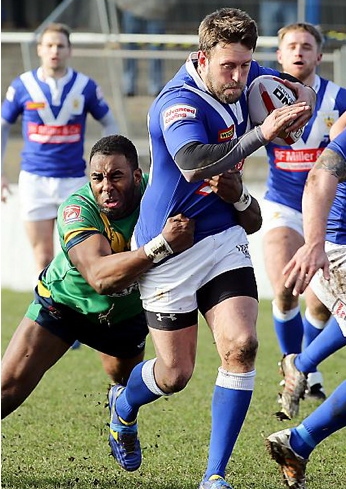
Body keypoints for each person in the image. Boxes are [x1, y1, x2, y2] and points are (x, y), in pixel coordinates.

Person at [105, 8, 316, 489]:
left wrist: (302, 95)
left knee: (242, 347)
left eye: (246, 64)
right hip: (170, 244)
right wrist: (264, 132)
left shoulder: (247, 71)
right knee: (175, 374)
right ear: (202, 58)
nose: (240, 77)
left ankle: (214, 475)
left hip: (222, 235)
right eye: (229, 67)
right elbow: (195, 164)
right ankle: (124, 403)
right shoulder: (176, 102)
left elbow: (290, 82)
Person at [1, 134, 195, 419]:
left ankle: (122, 418)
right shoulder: (76, 209)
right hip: (65, 305)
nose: (106, 187)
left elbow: (243, 218)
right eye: (97, 178)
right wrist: (161, 245)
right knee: (7, 388)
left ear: (137, 176)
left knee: (128, 385)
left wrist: (237, 197)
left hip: (126, 316)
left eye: (116, 176)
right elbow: (101, 278)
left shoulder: (159, 192)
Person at [261, 22, 346, 410]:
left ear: (319, 56)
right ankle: (291, 368)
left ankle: (307, 371)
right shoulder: (260, 98)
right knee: (284, 285)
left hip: (325, 212)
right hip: (282, 203)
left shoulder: (340, 100)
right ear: (279, 55)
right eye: (291, 46)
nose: (298, 52)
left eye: (306, 46)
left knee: (318, 303)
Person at [1, 23, 119, 280]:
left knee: (82, 256)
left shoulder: (85, 86)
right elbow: (3, 126)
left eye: (60, 46)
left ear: (69, 50)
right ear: (40, 49)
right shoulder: (23, 85)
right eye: (50, 45)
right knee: (42, 257)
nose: (55, 50)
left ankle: (84, 313)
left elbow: (110, 123)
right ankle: (49, 316)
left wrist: (104, 166)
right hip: (35, 181)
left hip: (74, 181)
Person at [266, 120, 346, 489]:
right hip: (336, 250)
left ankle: (300, 365)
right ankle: (299, 439)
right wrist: (313, 243)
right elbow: (320, 176)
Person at [115, 0, 177, 97]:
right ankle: (129, 84)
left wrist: (164, 6)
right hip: (131, 9)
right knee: (129, 50)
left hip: (157, 11)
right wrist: (124, 4)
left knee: (156, 51)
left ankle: (155, 85)